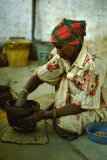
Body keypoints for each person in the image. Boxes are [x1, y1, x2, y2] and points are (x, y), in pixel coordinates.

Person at [15, 18, 107, 141]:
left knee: (64, 125)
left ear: (74, 43)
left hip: (93, 108)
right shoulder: (63, 56)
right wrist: (23, 94)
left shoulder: (93, 64)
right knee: (61, 73)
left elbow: (82, 105)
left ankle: (56, 113)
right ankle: (54, 111)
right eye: (55, 47)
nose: (58, 52)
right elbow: (40, 76)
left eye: (59, 47)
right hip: (73, 102)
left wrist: (46, 114)